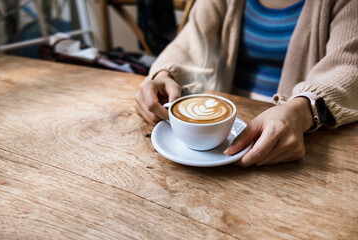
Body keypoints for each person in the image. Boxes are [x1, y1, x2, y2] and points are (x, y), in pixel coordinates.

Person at [134, 0, 358, 166]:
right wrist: (163, 74)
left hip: (297, 137)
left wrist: (304, 109)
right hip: (223, 117)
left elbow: (349, 65)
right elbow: (190, 40)